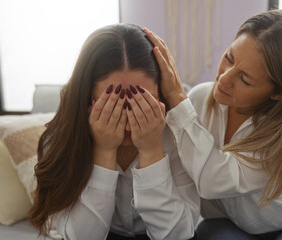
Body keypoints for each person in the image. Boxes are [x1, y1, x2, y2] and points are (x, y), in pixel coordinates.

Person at [144, 9, 282, 239]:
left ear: (279, 93)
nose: (224, 78)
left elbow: (212, 181)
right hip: (228, 225)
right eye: (229, 58)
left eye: (244, 79)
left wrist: (177, 97)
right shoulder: (199, 100)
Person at [28, 23, 200, 240]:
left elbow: (178, 235)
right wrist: (103, 151)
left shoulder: (179, 134)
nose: (129, 123)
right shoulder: (61, 139)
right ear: (87, 100)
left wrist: (151, 150)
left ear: (161, 95)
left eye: (142, 103)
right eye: (112, 105)